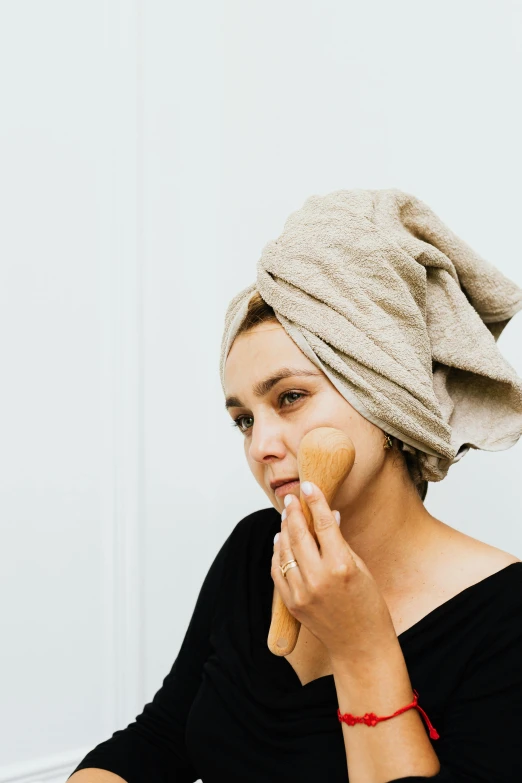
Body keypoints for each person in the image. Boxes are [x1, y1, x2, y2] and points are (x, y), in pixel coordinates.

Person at [68, 190, 522, 782]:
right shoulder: (257, 548)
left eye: (291, 398)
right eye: (244, 419)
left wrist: (362, 646)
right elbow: (161, 739)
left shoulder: (506, 619)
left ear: (387, 400)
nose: (261, 446)